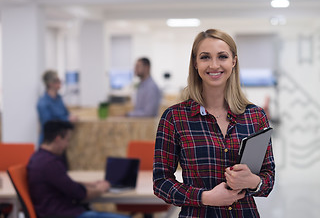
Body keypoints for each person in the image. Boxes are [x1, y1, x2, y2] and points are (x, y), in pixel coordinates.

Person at [153, 29, 275, 217]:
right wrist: (205, 197)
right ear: (195, 63)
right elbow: (161, 182)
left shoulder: (255, 116)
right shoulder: (174, 118)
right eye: (205, 57)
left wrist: (251, 181)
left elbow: (268, 178)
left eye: (222, 57)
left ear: (233, 61)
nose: (214, 65)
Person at [27, 120, 129, 218]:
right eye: (67, 140)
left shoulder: (38, 157)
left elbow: (64, 183)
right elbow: (80, 194)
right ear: (58, 139)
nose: (67, 145)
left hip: (58, 212)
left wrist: (89, 184)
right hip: (65, 214)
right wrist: (101, 189)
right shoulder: (50, 163)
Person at [37, 70, 77, 145]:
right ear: (50, 84)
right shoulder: (43, 103)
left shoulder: (59, 98)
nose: (59, 83)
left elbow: (66, 113)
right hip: (49, 142)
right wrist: (66, 119)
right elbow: (48, 124)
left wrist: (70, 117)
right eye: (57, 81)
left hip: (60, 140)